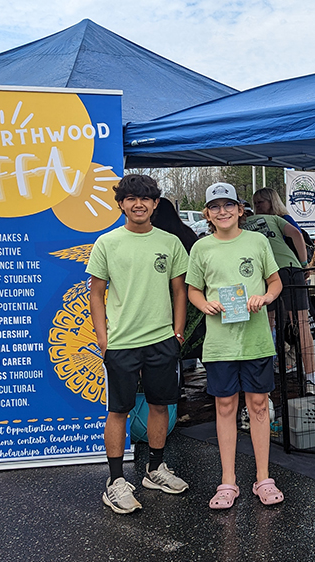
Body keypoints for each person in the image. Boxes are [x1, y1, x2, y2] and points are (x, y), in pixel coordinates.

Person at [87, 174, 190, 514]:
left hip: (162, 340)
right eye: (131, 198)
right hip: (122, 343)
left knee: (161, 405)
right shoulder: (107, 243)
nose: (138, 204)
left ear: (155, 204)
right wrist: (104, 339)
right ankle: (115, 482)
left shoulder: (170, 242)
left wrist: (177, 332)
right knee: (119, 410)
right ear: (120, 204)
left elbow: (179, 291)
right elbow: (96, 295)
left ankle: (155, 469)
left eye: (145, 198)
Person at [186, 183, 285, 508]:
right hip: (220, 345)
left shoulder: (257, 241)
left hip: (255, 341)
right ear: (207, 214)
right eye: (215, 206)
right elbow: (193, 290)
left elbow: (275, 281)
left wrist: (266, 297)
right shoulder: (201, 248)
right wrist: (204, 305)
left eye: (229, 205)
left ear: (241, 210)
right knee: (225, 406)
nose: (223, 211)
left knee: (258, 405)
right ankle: (227, 481)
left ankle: (262, 478)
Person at [245, 189, 315, 394]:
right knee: (295, 323)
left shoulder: (260, 221)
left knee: (275, 322)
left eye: (262, 202)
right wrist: (303, 264)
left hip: (271, 271)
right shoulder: (275, 219)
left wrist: (303, 264)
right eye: (255, 203)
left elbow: (297, 234)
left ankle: (277, 376)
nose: (258, 206)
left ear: (271, 202)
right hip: (283, 269)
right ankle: (309, 376)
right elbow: (297, 234)